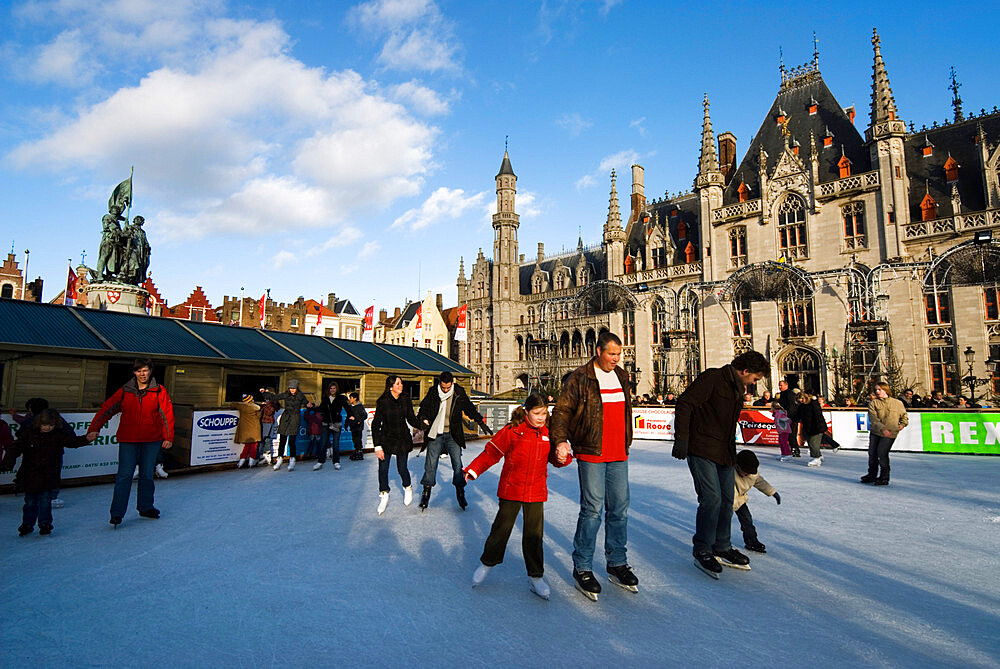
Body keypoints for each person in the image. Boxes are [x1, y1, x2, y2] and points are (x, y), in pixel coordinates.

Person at [551, 331, 638, 601]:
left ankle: (617, 562)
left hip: (618, 453)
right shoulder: (580, 378)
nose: (616, 359)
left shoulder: (621, 376)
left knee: (620, 509)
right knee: (592, 510)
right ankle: (583, 566)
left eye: (618, 354)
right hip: (591, 452)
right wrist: (560, 440)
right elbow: (562, 411)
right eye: (612, 354)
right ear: (598, 350)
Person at [672, 350, 770, 579]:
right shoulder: (713, 378)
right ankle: (703, 548)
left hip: (725, 452)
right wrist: (682, 439)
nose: (755, 383)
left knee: (728, 500)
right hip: (702, 448)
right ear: (745, 371)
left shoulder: (738, 387)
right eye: (755, 378)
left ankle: (722, 546)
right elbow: (685, 403)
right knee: (711, 499)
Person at [464, 393, 571, 600]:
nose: (541, 417)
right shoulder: (513, 430)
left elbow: (557, 459)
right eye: (537, 413)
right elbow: (491, 452)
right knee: (501, 529)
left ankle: (536, 577)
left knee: (534, 535)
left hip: (535, 490)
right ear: (526, 411)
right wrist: (473, 470)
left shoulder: (548, 433)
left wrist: (562, 457)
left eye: (544, 413)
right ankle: (487, 564)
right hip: (512, 487)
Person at [87, 358, 174, 526]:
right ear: (134, 372)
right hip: (129, 439)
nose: (143, 374)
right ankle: (117, 513)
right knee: (124, 475)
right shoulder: (125, 391)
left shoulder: (159, 391)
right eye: (139, 371)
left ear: (150, 371)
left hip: (151, 439)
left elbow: (166, 415)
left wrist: (168, 437)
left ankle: (146, 507)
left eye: (145, 370)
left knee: (147, 475)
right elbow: (107, 408)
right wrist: (94, 427)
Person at [1, 409, 92, 536]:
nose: (47, 428)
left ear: (55, 425)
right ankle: (27, 524)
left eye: (50, 425)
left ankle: (45, 523)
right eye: (44, 425)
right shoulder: (29, 434)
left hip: (48, 476)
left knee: (45, 502)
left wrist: (86, 439)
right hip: (30, 474)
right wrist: (7, 463)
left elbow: (72, 442)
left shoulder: (58, 435)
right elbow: (15, 448)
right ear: (39, 423)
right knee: (30, 502)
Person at [416, 371, 492, 511]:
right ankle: (426, 493)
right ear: (440, 383)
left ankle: (460, 492)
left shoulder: (458, 392)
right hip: (435, 434)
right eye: (443, 387)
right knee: (430, 464)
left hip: (453, 434)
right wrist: (424, 418)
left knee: (457, 464)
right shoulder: (433, 391)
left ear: (452, 383)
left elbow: (469, 408)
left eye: (448, 387)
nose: (445, 390)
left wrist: (480, 421)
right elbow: (424, 408)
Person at [371, 375, 422, 515]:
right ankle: (384, 493)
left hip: (402, 439)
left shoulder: (405, 399)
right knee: (383, 469)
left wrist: (423, 425)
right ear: (391, 386)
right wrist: (377, 446)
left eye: (401, 383)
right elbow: (376, 424)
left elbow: (411, 418)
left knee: (402, 468)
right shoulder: (383, 402)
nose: (401, 385)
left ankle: (407, 487)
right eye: (398, 383)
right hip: (386, 439)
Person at [11, 397, 74, 508]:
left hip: (34, 454)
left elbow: (19, 434)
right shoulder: (55, 419)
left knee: (33, 473)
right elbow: (70, 433)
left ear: (31, 409)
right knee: (52, 474)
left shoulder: (31, 420)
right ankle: (52, 497)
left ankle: (31, 495)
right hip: (53, 454)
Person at [732, 450, 781, 554]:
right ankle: (719, 543)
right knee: (722, 522)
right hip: (726, 501)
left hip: (740, 500)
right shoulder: (729, 472)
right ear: (738, 466)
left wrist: (772, 492)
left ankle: (751, 541)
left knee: (747, 521)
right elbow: (732, 494)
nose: (747, 474)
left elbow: (759, 481)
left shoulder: (751, 472)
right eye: (745, 471)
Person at [862, 382, 909, 486]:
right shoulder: (873, 403)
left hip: (890, 433)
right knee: (872, 453)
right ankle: (872, 474)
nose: (877, 392)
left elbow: (904, 416)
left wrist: (902, 425)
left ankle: (884, 477)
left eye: (879, 389)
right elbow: (873, 419)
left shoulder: (897, 403)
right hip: (876, 432)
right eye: (876, 390)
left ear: (885, 390)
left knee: (882, 453)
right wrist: (882, 429)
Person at [272, 380, 311, 471]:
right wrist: (265, 393)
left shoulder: (300, 396)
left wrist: (310, 405)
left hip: (294, 419)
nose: (292, 390)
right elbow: (275, 397)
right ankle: (280, 459)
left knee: (292, 441)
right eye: (290, 388)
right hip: (285, 418)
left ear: (297, 388)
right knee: (282, 440)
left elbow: (307, 403)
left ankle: (292, 459)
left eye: (294, 388)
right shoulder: (286, 395)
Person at [314, 382, 348, 471]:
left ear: (336, 389)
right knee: (323, 442)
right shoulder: (325, 398)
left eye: (334, 388)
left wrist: (352, 415)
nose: (332, 390)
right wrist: (312, 407)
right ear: (329, 389)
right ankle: (320, 461)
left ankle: (336, 462)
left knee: (336, 444)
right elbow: (321, 408)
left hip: (336, 423)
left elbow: (347, 407)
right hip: (326, 423)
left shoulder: (340, 398)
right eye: (331, 388)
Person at [793, 392, 827, 467]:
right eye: (799, 400)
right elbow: (797, 415)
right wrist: (792, 419)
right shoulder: (801, 406)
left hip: (816, 427)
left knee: (813, 443)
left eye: (802, 399)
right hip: (807, 427)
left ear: (805, 397)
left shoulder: (813, 404)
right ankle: (819, 456)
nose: (801, 401)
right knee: (811, 442)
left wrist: (819, 427)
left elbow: (818, 416)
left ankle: (816, 458)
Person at [231, 393, 261, 468]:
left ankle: (241, 461)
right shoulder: (256, 408)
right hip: (255, 429)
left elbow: (233, 404)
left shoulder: (242, 407)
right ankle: (251, 462)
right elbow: (259, 416)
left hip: (246, 430)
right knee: (254, 446)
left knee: (247, 446)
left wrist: (242, 403)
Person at [777, 376, 801, 457]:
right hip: (786, 418)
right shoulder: (782, 394)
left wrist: (789, 417)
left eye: (781, 385)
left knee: (791, 436)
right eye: (779, 385)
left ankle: (795, 450)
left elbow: (791, 407)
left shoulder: (790, 394)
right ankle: (791, 450)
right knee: (786, 436)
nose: (780, 387)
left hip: (791, 418)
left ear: (786, 385)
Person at [258, 387, 278, 465]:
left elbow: (269, 412)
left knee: (265, 439)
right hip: (265, 421)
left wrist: (264, 406)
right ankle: (263, 455)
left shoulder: (272, 403)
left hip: (267, 422)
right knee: (264, 439)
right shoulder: (268, 401)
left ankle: (265, 456)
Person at [345, 392, 367, 461]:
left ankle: (359, 451)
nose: (350, 399)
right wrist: (346, 423)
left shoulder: (360, 406)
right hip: (353, 426)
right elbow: (348, 416)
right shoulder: (350, 407)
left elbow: (364, 415)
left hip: (358, 426)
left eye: (351, 398)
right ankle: (357, 450)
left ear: (355, 398)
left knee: (358, 439)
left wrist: (358, 420)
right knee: (354, 439)